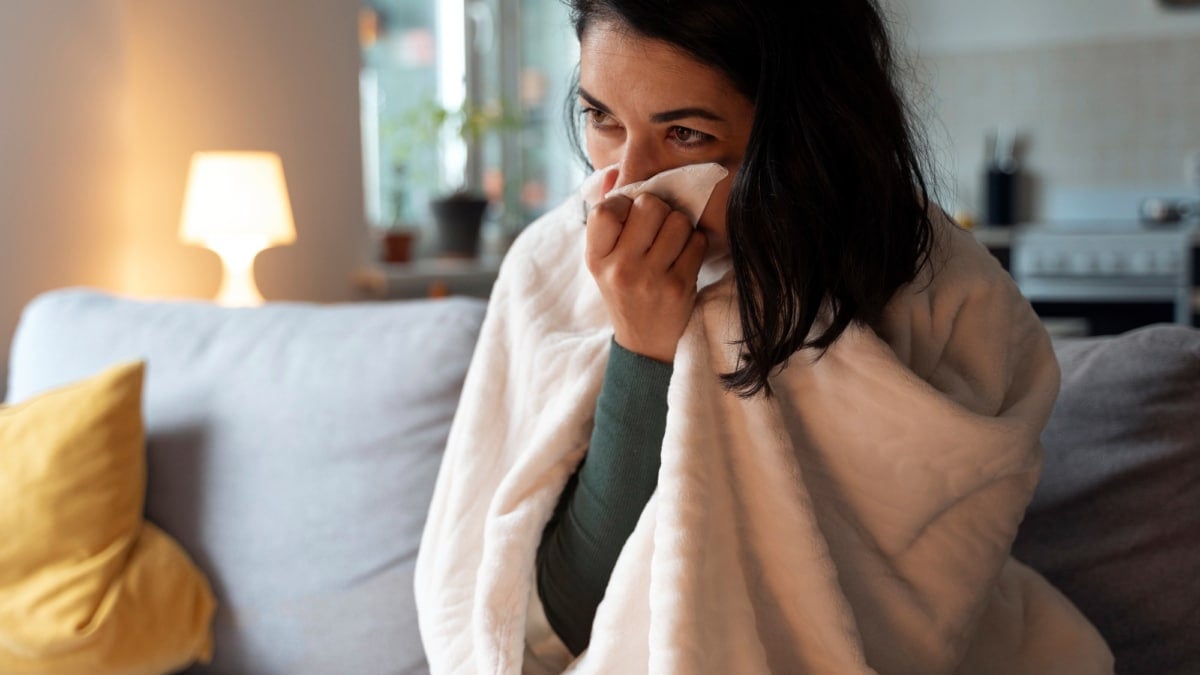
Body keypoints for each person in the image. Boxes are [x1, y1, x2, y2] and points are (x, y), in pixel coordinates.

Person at [415, 1, 1114, 673]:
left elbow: (919, 609)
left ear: (805, 130)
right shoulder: (552, 265)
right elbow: (544, 627)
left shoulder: (937, 285)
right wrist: (642, 348)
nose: (628, 185)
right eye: (601, 117)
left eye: (686, 135)